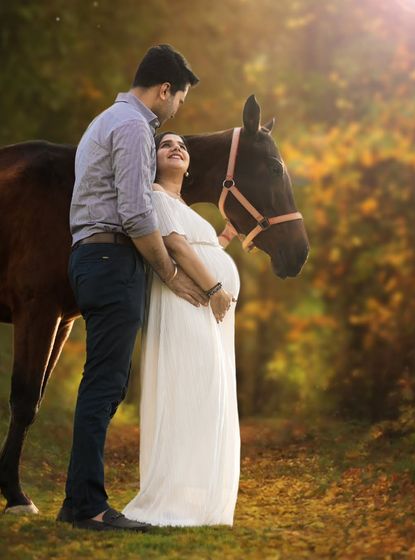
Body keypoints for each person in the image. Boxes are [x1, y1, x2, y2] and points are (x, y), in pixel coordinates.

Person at [57, 45, 205, 532]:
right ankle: (90, 508)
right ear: (165, 90)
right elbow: (137, 211)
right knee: (105, 385)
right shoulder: (134, 127)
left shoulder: (108, 120)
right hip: (110, 257)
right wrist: (169, 273)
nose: (177, 109)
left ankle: (76, 499)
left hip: (91, 256)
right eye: (179, 98)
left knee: (100, 382)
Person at [122, 132, 240, 527]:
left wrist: (224, 236)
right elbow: (177, 246)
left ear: (188, 166)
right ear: (153, 158)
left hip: (205, 309)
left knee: (205, 392)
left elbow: (199, 243)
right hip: (187, 301)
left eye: (182, 147)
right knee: (187, 387)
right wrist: (216, 288)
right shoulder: (155, 194)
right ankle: (172, 493)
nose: (176, 148)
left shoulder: (182, 203)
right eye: (166, 144)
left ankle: (195, 492)